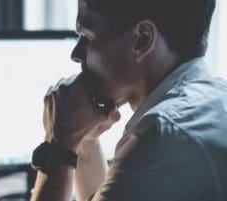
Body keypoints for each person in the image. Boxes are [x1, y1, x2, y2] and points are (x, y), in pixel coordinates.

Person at [30, 0, 227, 200]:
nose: (76, 54)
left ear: (142, 39)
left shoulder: (162, 134)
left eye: (87, 36)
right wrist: (83, 140)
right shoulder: (208, 103)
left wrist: (58, 145)